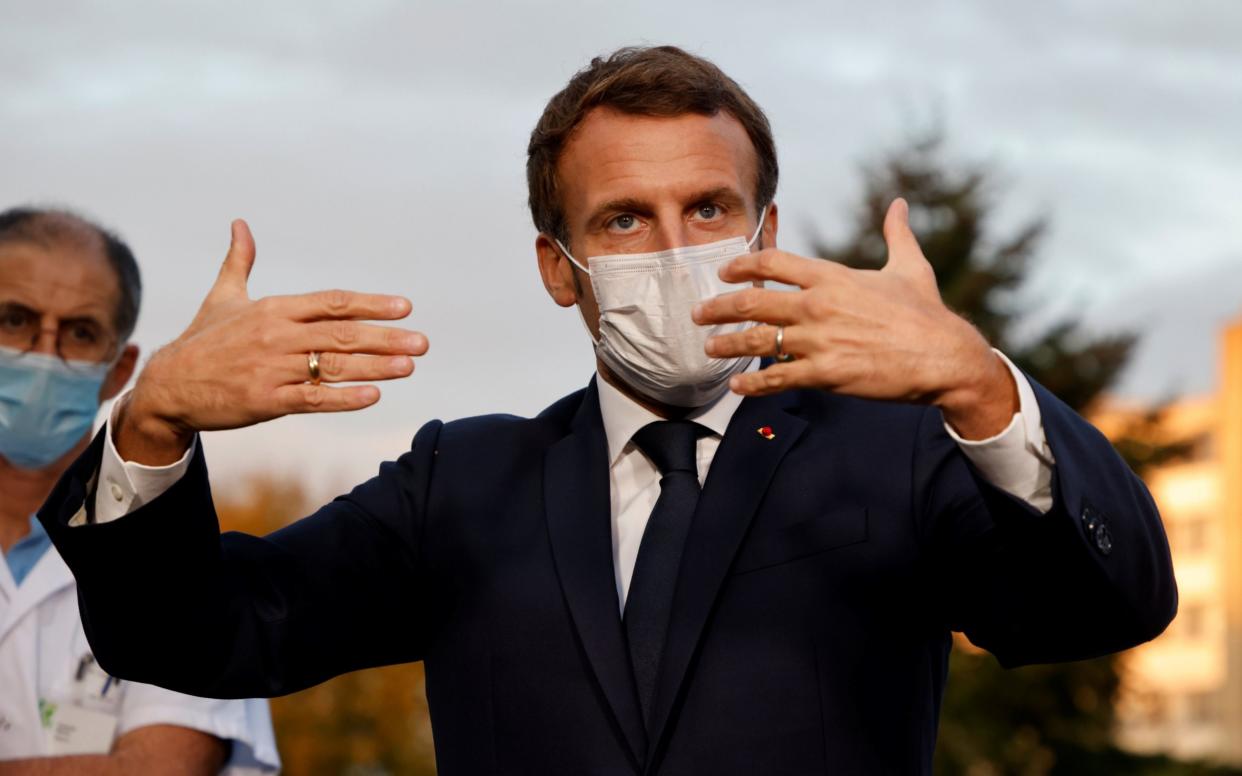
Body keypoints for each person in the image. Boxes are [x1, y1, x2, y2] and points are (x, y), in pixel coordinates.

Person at [37, 47, 1175, 775]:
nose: (676, 249)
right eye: (625, 219)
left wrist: (984, 384)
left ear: (765, 235)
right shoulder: (463, 485)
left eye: (709, 207)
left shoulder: (898, 456)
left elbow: (1103, 606)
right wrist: (152, 427)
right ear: (557, 264)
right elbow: (197, 635)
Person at [0, 208, 280, 774]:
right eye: (14, 320)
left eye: (80, 333)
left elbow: (164, 767)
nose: (42, 356)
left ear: (119, 367)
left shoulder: (170, 554)